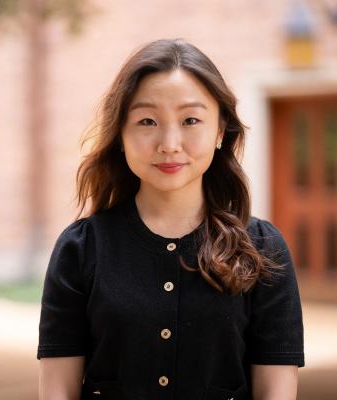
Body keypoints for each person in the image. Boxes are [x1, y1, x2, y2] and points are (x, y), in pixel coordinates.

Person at [37, 38, 305, 400]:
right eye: (147, 120)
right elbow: (57, 390)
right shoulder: (81, 249)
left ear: (220, 131)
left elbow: (276, 389)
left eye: (190, 120)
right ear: (120, 133)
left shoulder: (262, 248)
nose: (169, 143)